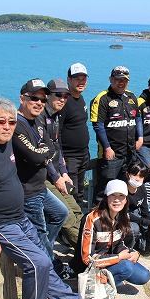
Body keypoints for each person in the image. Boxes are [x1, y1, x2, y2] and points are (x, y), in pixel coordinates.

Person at [0, 97, 102, 299]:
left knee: (44, 260)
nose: (8, 126)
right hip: (1, 225)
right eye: (1, 121)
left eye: (11, 122)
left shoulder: (6, 143)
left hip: (19, 218)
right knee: (37, 263)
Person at [11, 79, 71, 280]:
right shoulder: (16, 125)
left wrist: (43, 152)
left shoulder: (37, 121)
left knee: (60, 214)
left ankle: (45, 253)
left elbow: (50, 148)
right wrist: (43, 152)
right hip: (27, 191)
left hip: (40, 187)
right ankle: (50, 268)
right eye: (34, 98)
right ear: (22, 99)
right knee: (40, 232)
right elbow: (37, 156)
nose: (39, 103)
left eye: (43, 100)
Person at [78, 179, 150, 286]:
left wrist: (132, 252)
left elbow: (118, 244)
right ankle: (100, 284)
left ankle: (108, 279)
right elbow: (87, 258)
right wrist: (118, 257)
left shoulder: (122, 217)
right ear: (106, 198)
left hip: (110, 261)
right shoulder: (92, 219)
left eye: (121, 196)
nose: (117, 200)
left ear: (126, 200)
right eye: (113, 195)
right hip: (91, 267)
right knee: (127, 267)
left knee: (144, 276)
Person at [42, 79, 83, 251]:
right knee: (66, 214)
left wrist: (64, 172)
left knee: (76, 209)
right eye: (58, 95)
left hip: (56, 174)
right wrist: (56, 176)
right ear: (47, 96)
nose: (62, 99)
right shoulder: (40, 118)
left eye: (66, 96)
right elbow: (42, 153)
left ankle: (89, 242)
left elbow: (56, 145)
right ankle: (86, 250)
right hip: (44, 177)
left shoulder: (56, 116)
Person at [90, 66, 142, 199]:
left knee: (124, 186)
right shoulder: (102, 98)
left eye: (125, 80)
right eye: (118, 79)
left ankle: (120, 210)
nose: (121, 83)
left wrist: (140, 138)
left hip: (129, 153)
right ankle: (99, 211)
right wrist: (107, 148)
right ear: (110, 79)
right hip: (112, 154)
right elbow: (98, 125)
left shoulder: (131, 96)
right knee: (105, 188)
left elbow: (138, 118)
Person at [60, 63, 91, 207]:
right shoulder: (64, 101)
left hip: (83, 154)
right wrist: (61, 157)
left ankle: (79, 219)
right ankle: (72, 220)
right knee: (71, 194)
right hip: (70, 157)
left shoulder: (81, 99)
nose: (81, 82)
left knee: (79, 194)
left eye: (83, 78)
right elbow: (57, 131)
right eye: (76, 78)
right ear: (68, 79)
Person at [125, 161, 150, 253]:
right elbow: (125, 214)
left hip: (137, 214)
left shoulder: (142, 188)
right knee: (134, 228)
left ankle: (142, 242)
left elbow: (145, 210)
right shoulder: (122, 190)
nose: (137, 179)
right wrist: (148, 223)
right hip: (124, 217)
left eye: (141, 176)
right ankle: (128, 249)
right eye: (135, 175)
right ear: (127, 174)